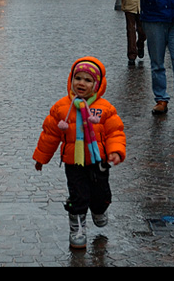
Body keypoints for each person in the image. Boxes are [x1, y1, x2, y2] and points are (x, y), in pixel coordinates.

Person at [33, 57, 126, 249]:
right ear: (71, 80)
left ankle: (99, 210)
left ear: (97, 85)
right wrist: (42, 158)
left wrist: (115, 151)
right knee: (78, 196)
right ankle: (77, 228)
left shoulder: (105, 109)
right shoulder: (61, 108)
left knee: (101, 195)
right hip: (73, 162)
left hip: (99, 161)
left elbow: (114, 132)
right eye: (78, 78)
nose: (81, 83)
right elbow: (50, 134)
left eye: (88, 80)